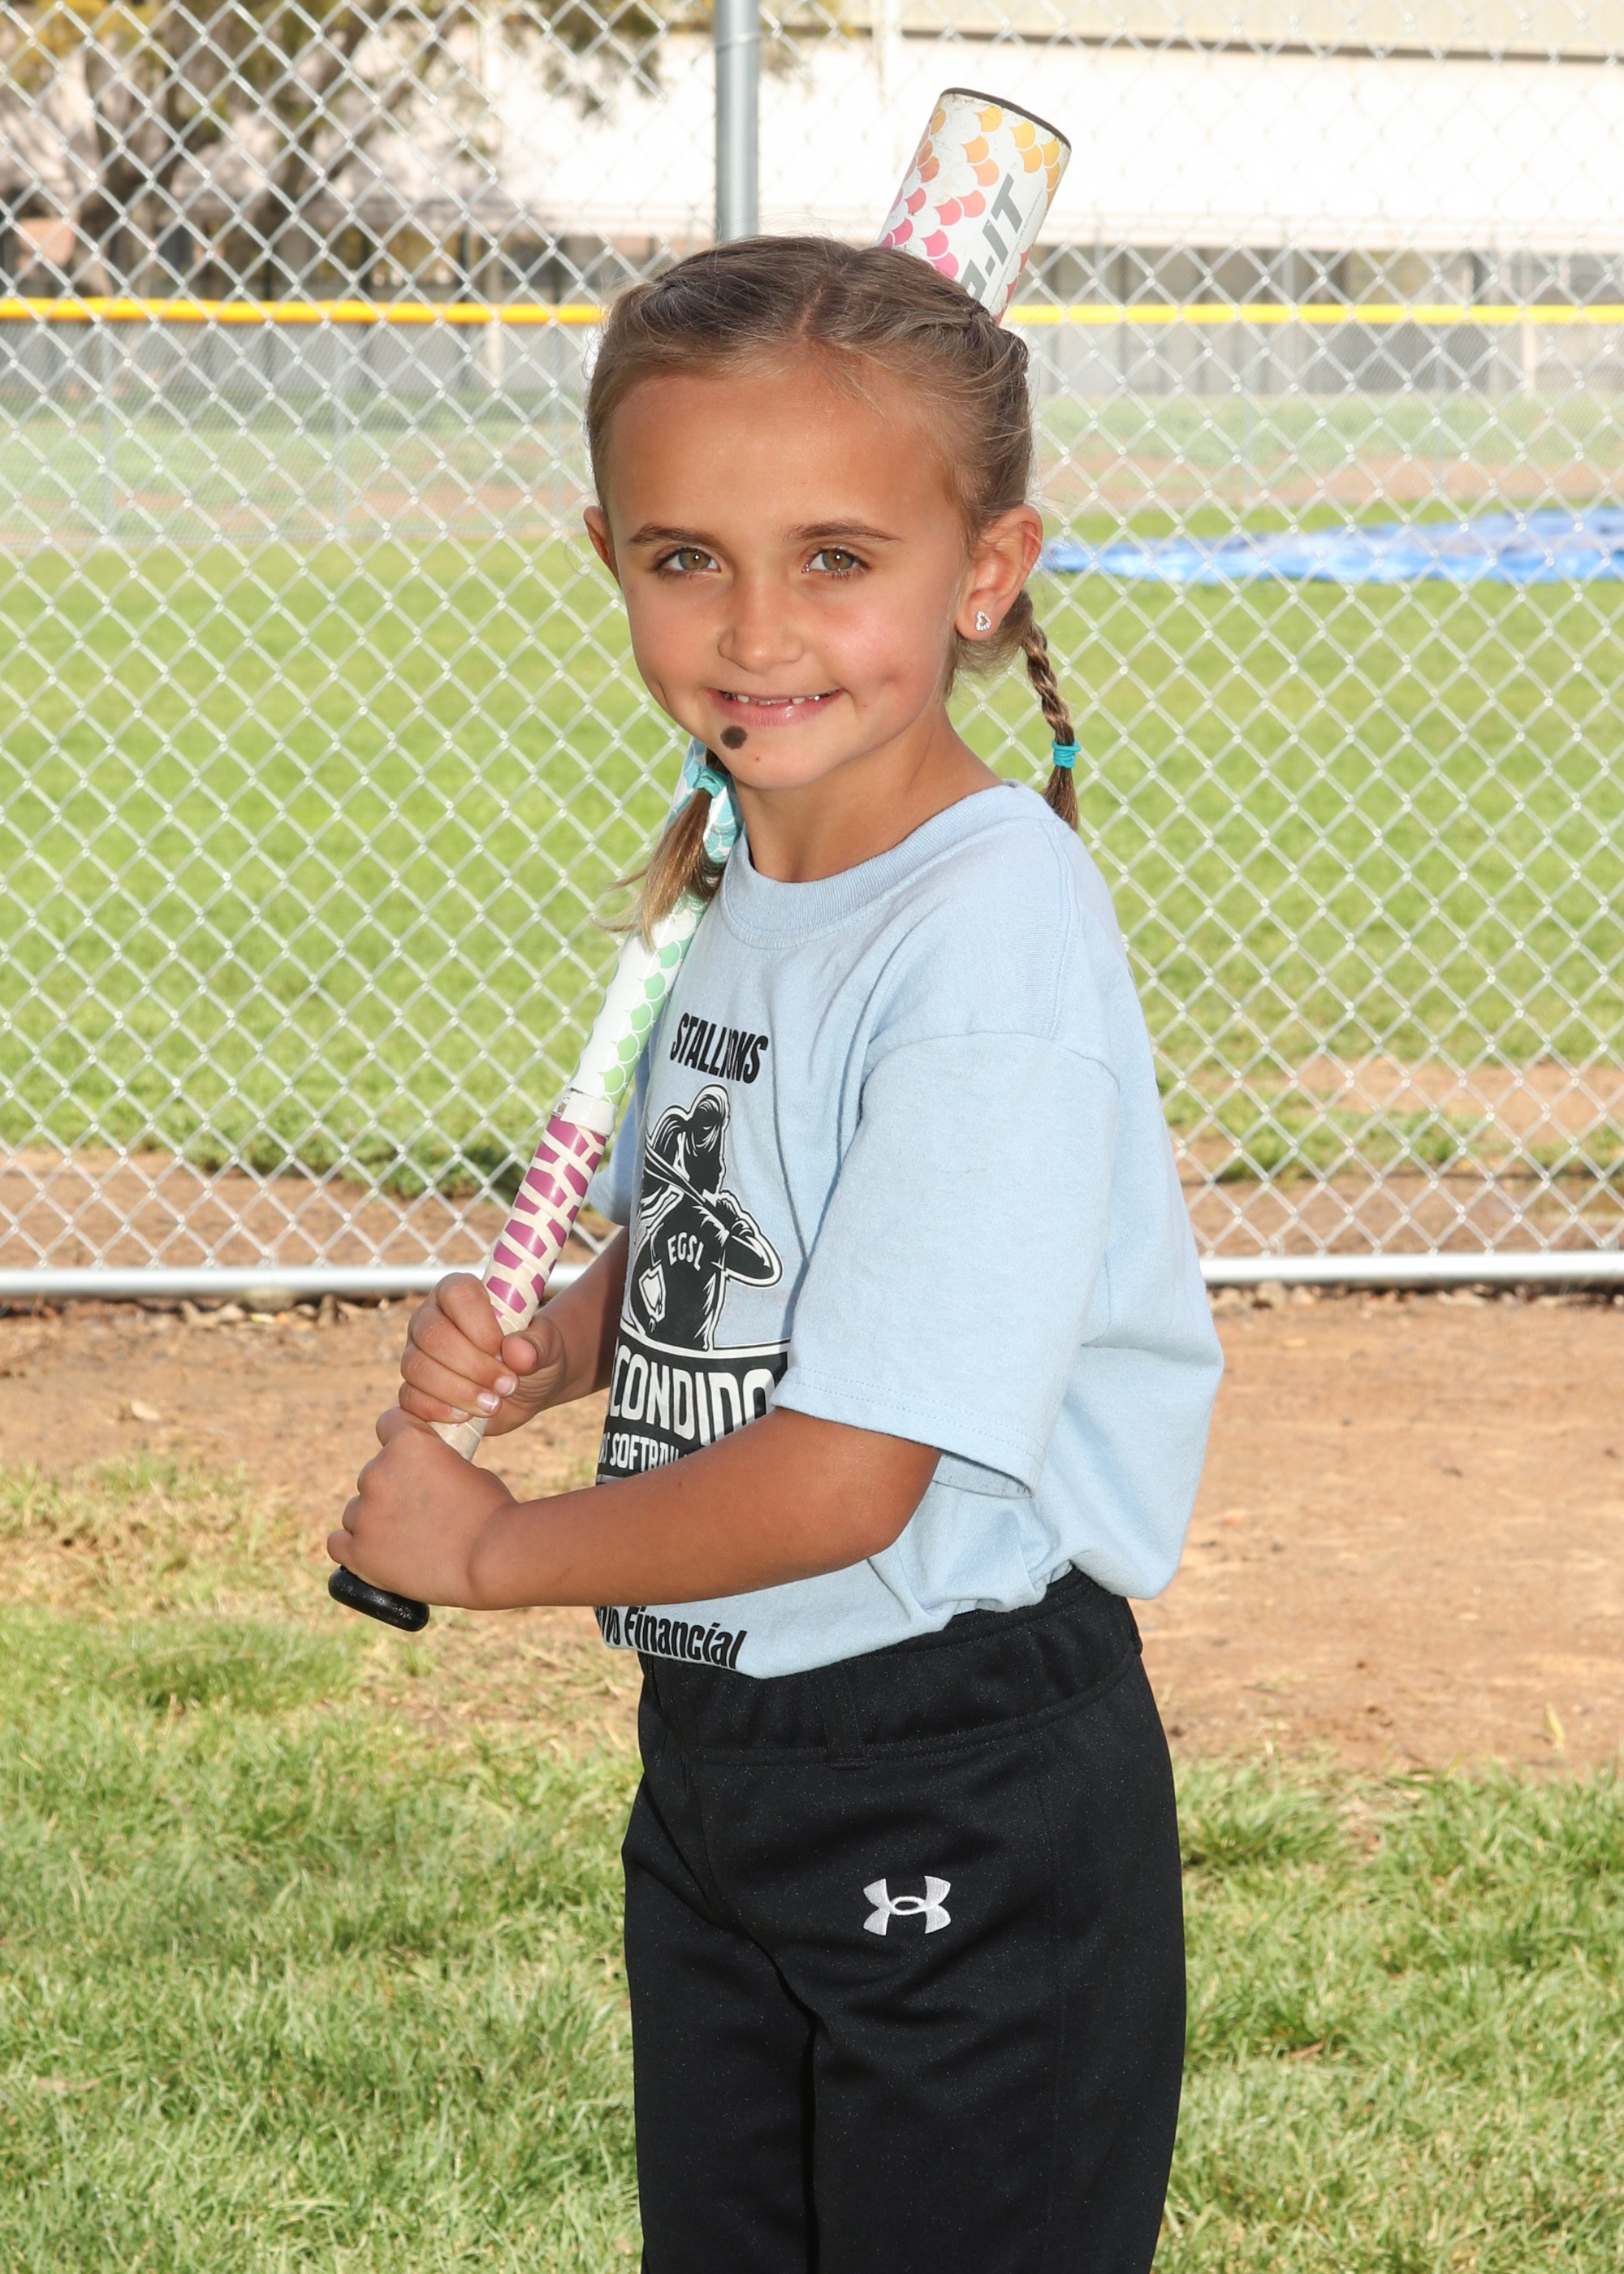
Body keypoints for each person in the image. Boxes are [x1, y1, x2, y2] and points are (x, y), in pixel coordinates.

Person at [329, 237, 1223, 2274]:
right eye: (685, 558)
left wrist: (490, 1546)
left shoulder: (982, 939)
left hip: (947, 1754)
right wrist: (568, 1339)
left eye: (835, 557)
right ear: (607, 556)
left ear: (985, 572)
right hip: (733, 1737)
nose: (753, 628)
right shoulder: (760, 867)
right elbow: (732, 1222)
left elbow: (848, 1475)